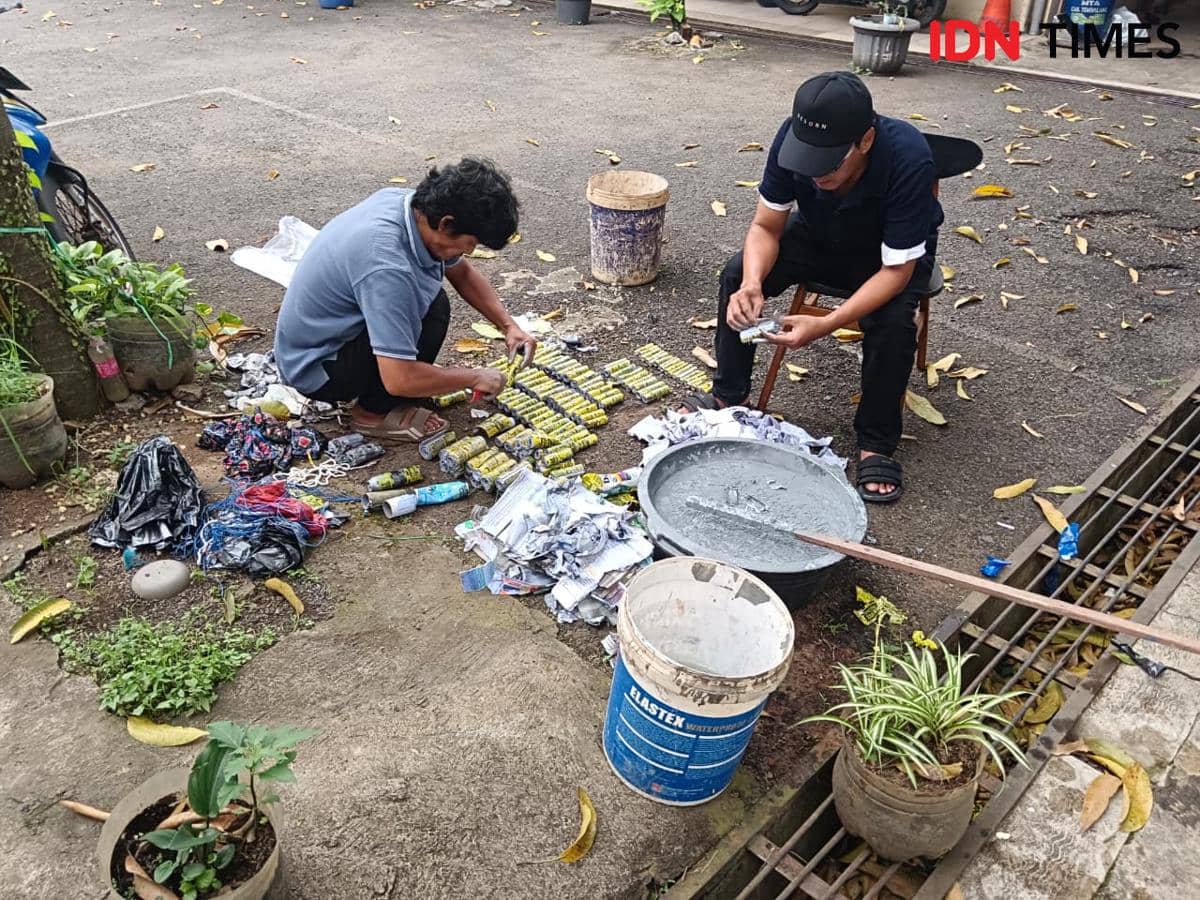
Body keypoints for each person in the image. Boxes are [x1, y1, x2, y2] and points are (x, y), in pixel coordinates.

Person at [682, 71, 942, 503]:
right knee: (734, 273)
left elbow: (896, 272)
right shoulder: (790, 139)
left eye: (829, 164)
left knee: (895, 320)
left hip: (888, 254)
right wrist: (752, 283)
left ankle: (875, 441)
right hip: (820, 234)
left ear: (866, 141)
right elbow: (766, 225)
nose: (816, 173)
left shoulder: (908, 157)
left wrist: (828, 324)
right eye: (808, 161)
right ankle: (729, 395)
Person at [274, 158, 536, 442]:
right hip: (318, 367)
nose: (467, 253)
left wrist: (508, 326)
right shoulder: (388, 267)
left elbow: (461, 272)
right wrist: (474, 377)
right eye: (468, 244)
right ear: (447, 224)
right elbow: (400, 379)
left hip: (328, 335)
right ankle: (371, 413)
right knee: (425, 310)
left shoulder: (411, 207)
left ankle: (391, 387)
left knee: (433, 301)